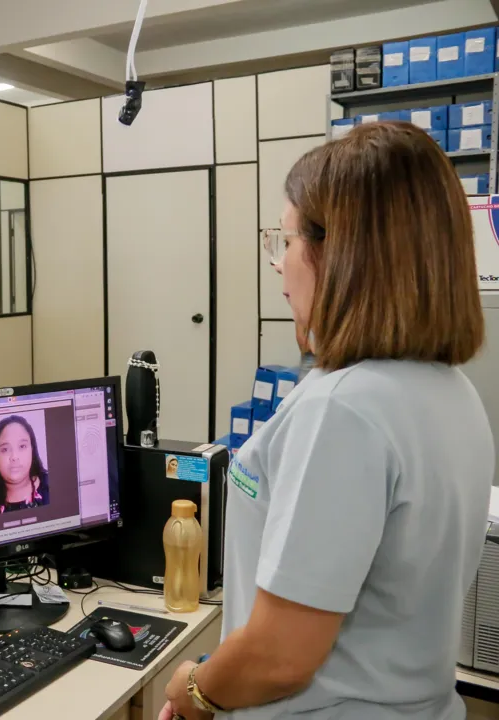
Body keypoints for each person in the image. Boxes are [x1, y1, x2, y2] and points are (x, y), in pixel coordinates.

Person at [161, 122, 494, 719]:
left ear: (340, 252)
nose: (278, 265)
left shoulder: (344, 409)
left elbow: (278, 658)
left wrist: (192, 687)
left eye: (284, 241)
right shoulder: (451, 392)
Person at [0, 415, 49, 514]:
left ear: (32, 450)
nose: (14, 457)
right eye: (5, 449)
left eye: (22, 446)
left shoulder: (51, 487)